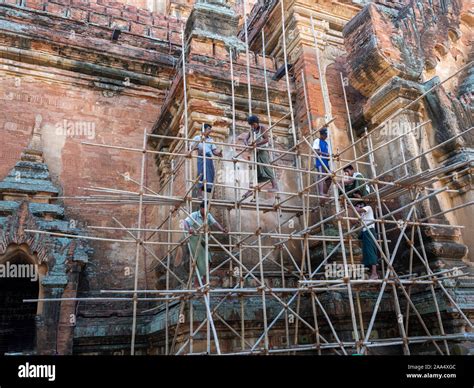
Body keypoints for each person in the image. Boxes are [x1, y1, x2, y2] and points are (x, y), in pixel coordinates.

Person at [183, 201, 228, 286]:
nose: (207, 211)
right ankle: (197, 283)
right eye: (205, 209)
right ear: (201, 208)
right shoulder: (194, 215)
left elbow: (215, 223)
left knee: (209, 259)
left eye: (208, 209)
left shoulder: (208, 215)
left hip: (202, 238)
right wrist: (189, 229)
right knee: (201, 259)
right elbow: (185, 222)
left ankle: (203, 281)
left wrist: (222, 229)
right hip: (193, 238)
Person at [242, 115, 278, 199]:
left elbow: (266, 140)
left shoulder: (262, 128)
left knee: (267, 167)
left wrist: (255, 144)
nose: (252, 126)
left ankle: (275, 186)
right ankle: (251, 189)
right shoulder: (252, 130)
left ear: (257, 123)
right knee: (253, 170)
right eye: (251, 125)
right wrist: (247, 144)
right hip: (255, 152)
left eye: (253, 124)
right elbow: (245, 139)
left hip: (262, 151)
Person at [191, 124, 223, 198]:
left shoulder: (210, 140)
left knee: (210, 175)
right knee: (201, 174)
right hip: (201, 157)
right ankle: (199, 193)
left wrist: (219, 153)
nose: (210, 131)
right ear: (203, 130)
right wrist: (198, 147)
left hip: (208, 158)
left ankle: (212, 194)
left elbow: (214, 151)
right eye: (208, 129)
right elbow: (192, 147)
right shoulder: (197, 138)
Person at [355, 202, 378, 280]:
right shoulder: (362, 215)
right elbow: (357, 223)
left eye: (359, 205)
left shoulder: (368, 207)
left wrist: (351, 207)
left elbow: (360, 210)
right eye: (357, 205)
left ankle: (374, 273)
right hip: (364, 232)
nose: (358, 206)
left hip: (369, 230)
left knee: (370, 250)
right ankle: (370, 271)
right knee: (366, 251)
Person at [312, 127, 332, 198]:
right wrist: (325, 154)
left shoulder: (326, 143)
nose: (326, 136)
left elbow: (327, 153)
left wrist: (329, 156)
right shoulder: (317, 141)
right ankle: (321, 193)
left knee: (329, 178)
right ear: (322, 134)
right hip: (320, 161)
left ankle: (324, 192)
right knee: (321, 176)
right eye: (325, 135)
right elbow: (315, 151)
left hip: (326, 162)